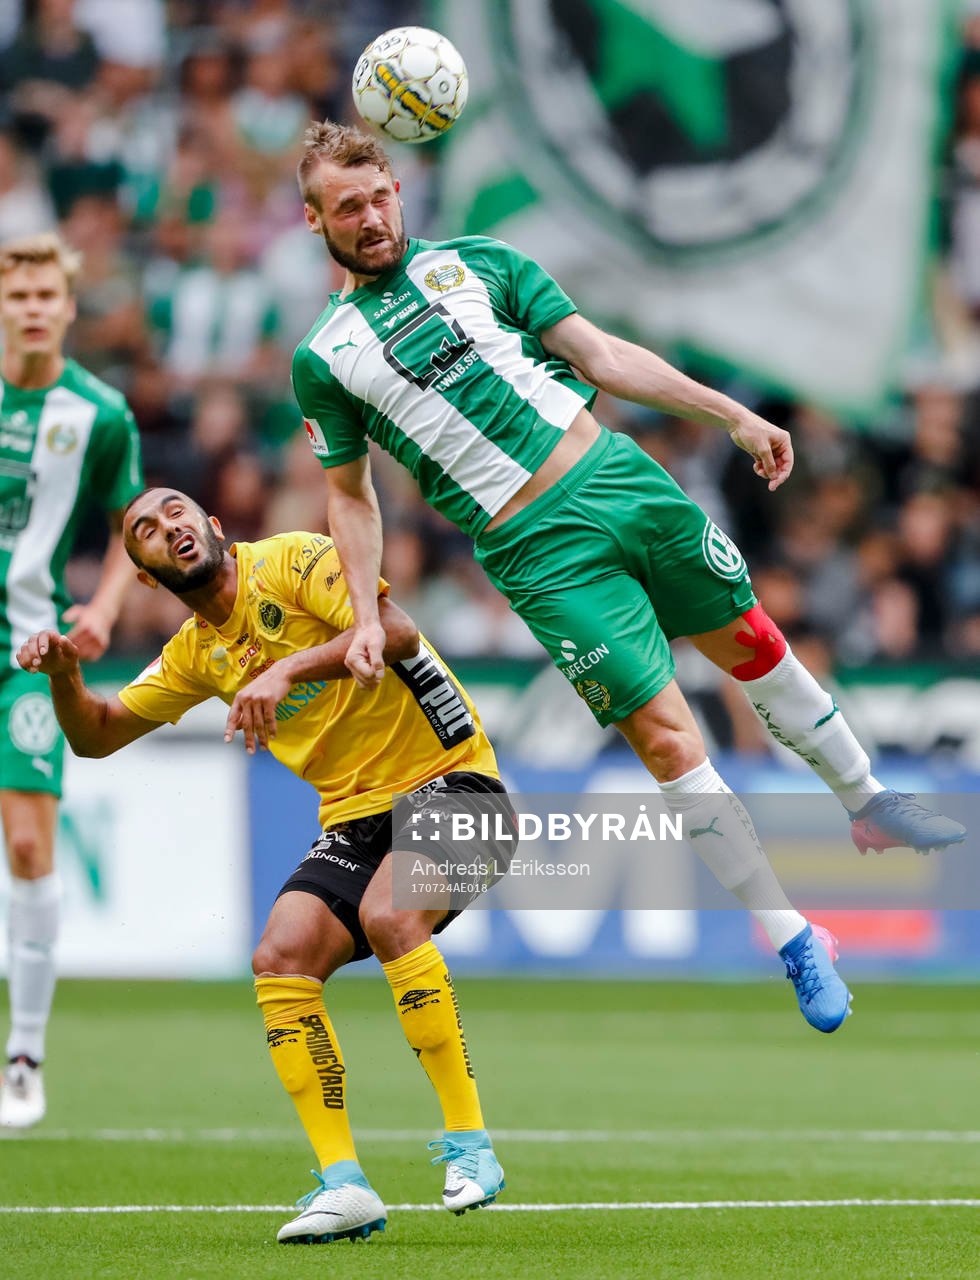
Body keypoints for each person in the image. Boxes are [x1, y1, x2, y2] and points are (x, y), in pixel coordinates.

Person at [289, 122, 966, 1034]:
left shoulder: (481, 263)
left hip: (620, 477)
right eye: (347, 209)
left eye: (379, 198)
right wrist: (367, 612)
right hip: (535, 552)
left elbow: (602, 356)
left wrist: (732, 414)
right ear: (313, 220)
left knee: (753, 642)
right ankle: (796, 937)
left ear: (399, 189)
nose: (370, 219)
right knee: (666, 739)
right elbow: (352, 496)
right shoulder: (325, 357)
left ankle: (868, 800)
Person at [17, 486, 510, 1244]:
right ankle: (344, 1183)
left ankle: (470, 1143)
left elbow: (401, 634)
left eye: (176, 511)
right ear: (145, 577)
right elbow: (98, 736)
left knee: (389, 917)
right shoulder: (197, 652)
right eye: (144, 530)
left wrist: (286, 670)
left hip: (459, 782)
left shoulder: (294, 560)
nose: (167, 527)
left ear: (212, 526)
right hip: (355, 816)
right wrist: (62, 677)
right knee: (279, 955)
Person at [0, 231, 143, 1129]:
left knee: (25, 847)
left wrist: (104, 606)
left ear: (68, 303)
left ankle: (24, 1056)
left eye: (47, 294)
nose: (33, 308)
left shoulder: (100, 413)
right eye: (19, 296)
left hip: (28, 649)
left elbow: (131, 522)